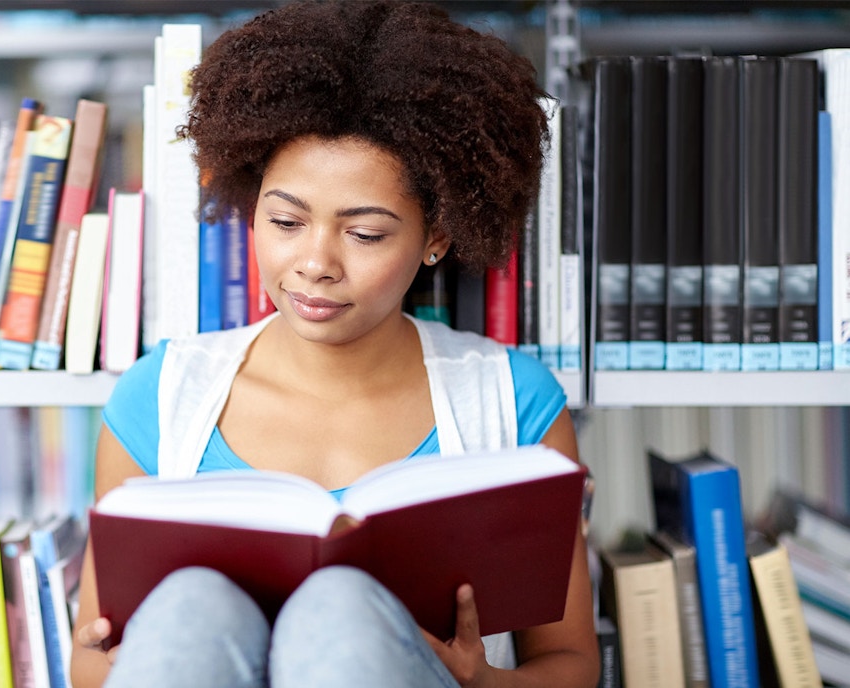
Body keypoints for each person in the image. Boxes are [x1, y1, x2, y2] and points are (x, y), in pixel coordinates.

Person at [71, 1, 599, 686]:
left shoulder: (515, 404)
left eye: (365, 233)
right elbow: (89, 661)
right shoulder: (159, 398)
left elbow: (571, 666)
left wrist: (481, 682)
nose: (315, 262)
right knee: (191, 606)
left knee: (343, 609)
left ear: (435, 237)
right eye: (286, 220)